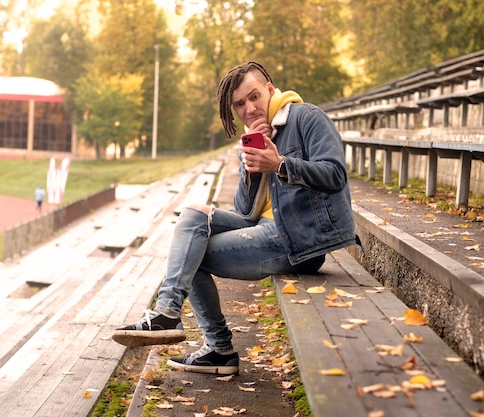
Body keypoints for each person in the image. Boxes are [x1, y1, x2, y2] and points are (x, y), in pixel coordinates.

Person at [112, 61, 357, 375]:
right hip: (265, 227)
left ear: (270, 89)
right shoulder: (254, 136)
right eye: (239, 104)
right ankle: (168, 313)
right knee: (192, 217)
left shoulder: (307, 117)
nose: (249, 108)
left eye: (254, 96)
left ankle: (217, 347)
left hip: (300, 239)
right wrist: (250, 168)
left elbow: (336, 175)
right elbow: (244, 210)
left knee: (192, 254)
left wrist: (280, 163)